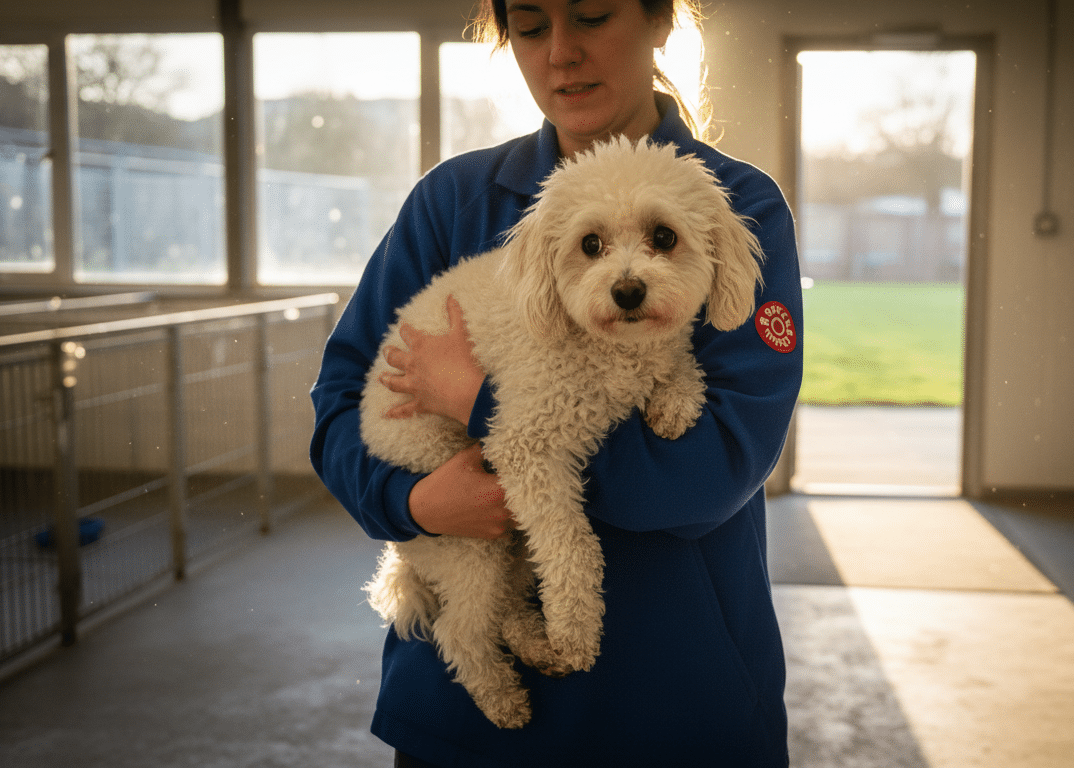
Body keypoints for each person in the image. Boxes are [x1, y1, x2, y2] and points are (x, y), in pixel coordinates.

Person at [309, 1, 803, 765]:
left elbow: (711, 473)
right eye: (532, 27)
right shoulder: (452, 202)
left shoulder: (737, 206)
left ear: (660, 20)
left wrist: (479, 401)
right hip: (462, 726)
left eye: (593, 16)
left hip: (673, 699)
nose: (561, 53)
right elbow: (342, 405)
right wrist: (412, 502)